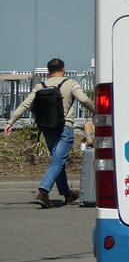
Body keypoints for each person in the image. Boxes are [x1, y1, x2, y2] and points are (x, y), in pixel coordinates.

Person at [3, 58, 96, 208]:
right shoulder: (70, 83)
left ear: (48, 72)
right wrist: (96, 111)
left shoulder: (41, 86)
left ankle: (67, 194)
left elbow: (25, 104)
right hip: (64, 127)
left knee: (57, 160)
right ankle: (43, 192)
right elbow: (84, 99)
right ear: (63, 69)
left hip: (47, 128)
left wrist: (10, 122)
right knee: (58, 161)